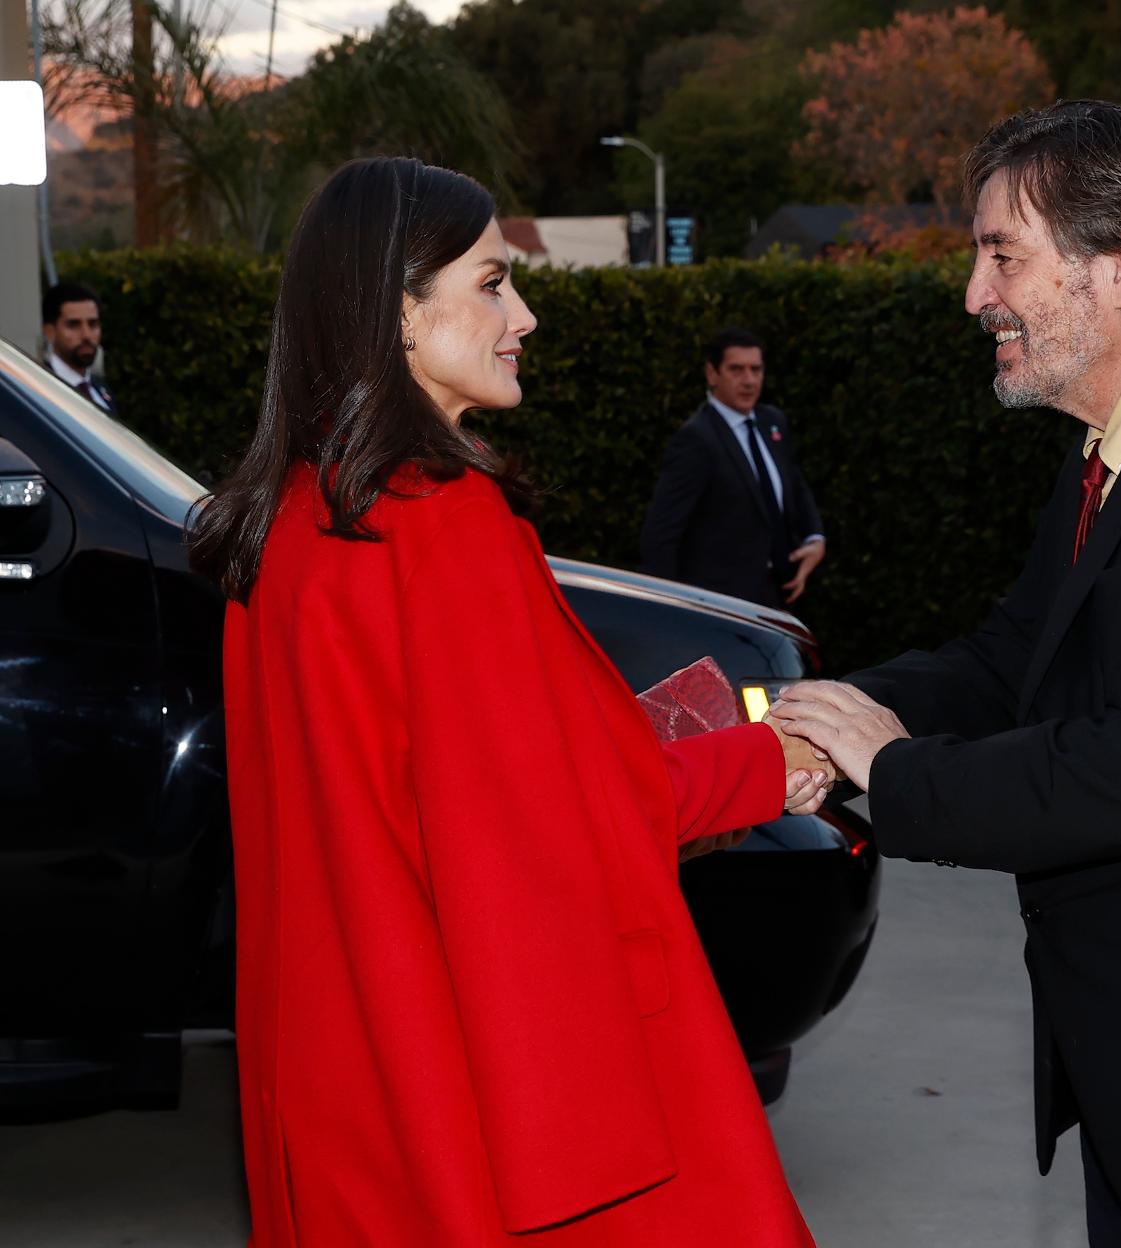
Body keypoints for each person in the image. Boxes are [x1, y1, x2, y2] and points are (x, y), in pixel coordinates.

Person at [188, 157, 825, 1247]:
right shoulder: (442, 525)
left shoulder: (285, 523)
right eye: (491, 283)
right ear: (397, 309)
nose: (522, 314)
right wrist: (773, 759)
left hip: (347, 1075)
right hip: (479, 1081)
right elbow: (558, 823)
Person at [772, 100, 1121, 1244]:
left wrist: (896, 775)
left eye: (1002, 254)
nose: (974, 295)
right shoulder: (1120, 440)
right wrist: (832, 720)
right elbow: (1010, 657)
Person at [640, 328, 825, 608]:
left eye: (756, 369)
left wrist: (815, 537)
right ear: (712, 373)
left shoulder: (772, 421)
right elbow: (661, 533)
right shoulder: (696, 439)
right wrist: (669, 610)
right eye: (736, 370)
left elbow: (794, 482)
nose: (749, 380)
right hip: (723, 605)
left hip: (781, 594)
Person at [41, 282, 116, 413]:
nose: (86, 335)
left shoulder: (102, 390)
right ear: (50, 332)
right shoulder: (38, 388)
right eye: (73, 325)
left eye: (93, 324)